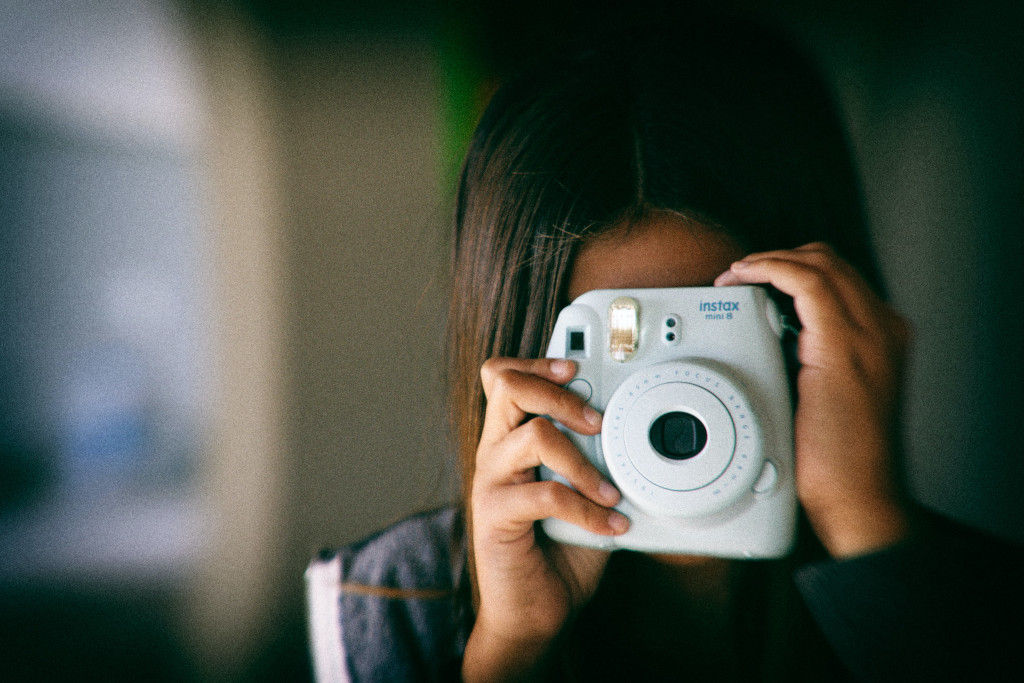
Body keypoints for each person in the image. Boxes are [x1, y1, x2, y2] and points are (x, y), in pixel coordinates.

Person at [306, 11, 1023, 682]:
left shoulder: (977, 607)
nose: (674, 409)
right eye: (618, 349)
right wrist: (511, 647)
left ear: (827, 328)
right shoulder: (392, 601)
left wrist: (871, 536)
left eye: (709, 333)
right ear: (516, 349)